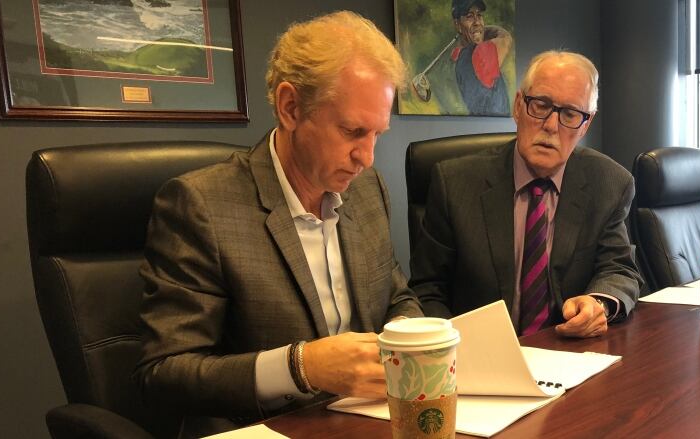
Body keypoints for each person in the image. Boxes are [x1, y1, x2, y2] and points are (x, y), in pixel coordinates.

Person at [134, 11, 423, 436]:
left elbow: (395, 295)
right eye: (352, 131)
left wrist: (411, 338)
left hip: (369, 422)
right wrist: (302, 368)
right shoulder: (201, 205)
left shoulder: (367, 190)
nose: (367, 157)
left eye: (377, 134)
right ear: (290, 107)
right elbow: (164, 373)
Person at [409, 50, 643, 339]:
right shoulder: (455, 183)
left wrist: (599, 303)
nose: (551, 125)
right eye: (541, 105)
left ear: (586, 124)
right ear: (518, 106)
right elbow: (427, 289)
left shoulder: (609, 184)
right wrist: (453, 348)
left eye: (570, 114)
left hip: (569, 354)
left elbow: (619, 269)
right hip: (480, 358)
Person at [450, 0, 513, 116]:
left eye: (479, 15)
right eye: (470, 17)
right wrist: (484, 29)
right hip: (495, 128)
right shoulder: (481, 53)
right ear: (458, 24)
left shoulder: (459, 56)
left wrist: (477, 30)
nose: (477, 22)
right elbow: (506, 37)